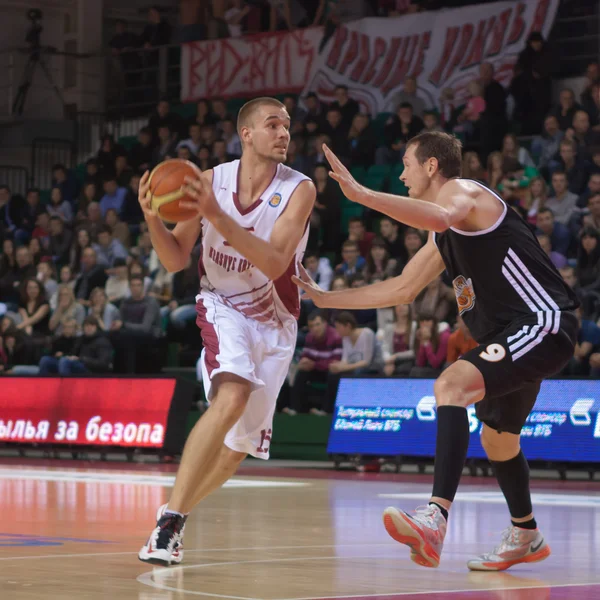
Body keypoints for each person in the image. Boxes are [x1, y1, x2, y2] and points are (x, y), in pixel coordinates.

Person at [294, 132, 579, 571]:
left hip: (542, 321)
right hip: (510, 334)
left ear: (431, 166)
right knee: (498, 440)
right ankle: (526, 534)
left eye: (407, 164)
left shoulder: (461, 193)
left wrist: (363, 195)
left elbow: (444, 215)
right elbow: (404, 288)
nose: (402, 175)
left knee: (450, 383)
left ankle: (435, 518)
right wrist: (328, 299)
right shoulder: (440, 236)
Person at [137, 97, 315, 566]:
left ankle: (175, 514)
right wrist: (154, 215)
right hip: (222, 305)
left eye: (288, 126)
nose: (283, 133)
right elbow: (176, 258)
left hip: (276, 319)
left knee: (238, 451)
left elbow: (275, 262)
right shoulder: (207, 182)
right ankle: (169, 524)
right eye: (273, 124)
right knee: (231, 395)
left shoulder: (299, 189)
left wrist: (216, 215)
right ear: (247, 134)